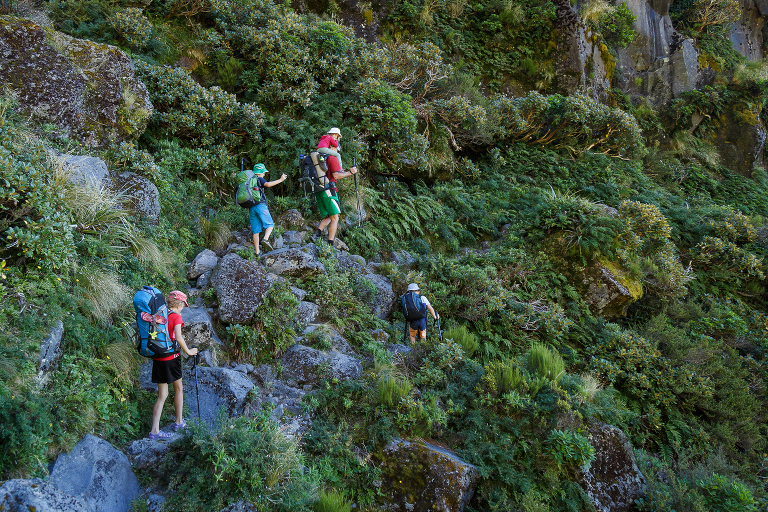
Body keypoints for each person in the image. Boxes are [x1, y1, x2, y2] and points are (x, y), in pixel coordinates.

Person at [149, 290, 198, 440]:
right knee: (179, 389)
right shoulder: (176, 316)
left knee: (162, 395)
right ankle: (179, 422)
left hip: (158, 357)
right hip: (172, 358)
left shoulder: (160, 316)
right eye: (183, 304)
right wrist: (189, 351)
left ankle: (154, 431)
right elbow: (178, 336)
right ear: (180, 303)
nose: (183, 307)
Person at [311, 127, 357, 248]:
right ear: (334, 147)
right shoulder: (333, 158)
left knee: (328, 216)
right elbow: (336, 175)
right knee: (335, 218)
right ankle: (330, 245)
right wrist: (350, 173)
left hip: (319, 189)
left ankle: (316, 235)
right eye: (337, 149)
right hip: (329, 190)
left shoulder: (322, 157)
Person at [249, 163, 287, 257]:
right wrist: (280, 180)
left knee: (256, 231)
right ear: (261, 172)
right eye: (264, 172)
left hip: (251, 207)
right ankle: (265, 239)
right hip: (260, 206)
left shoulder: (249, 180)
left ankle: (257, 252)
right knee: (270, 225)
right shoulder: (259, 179)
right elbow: (268, 184)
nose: (264, 174)